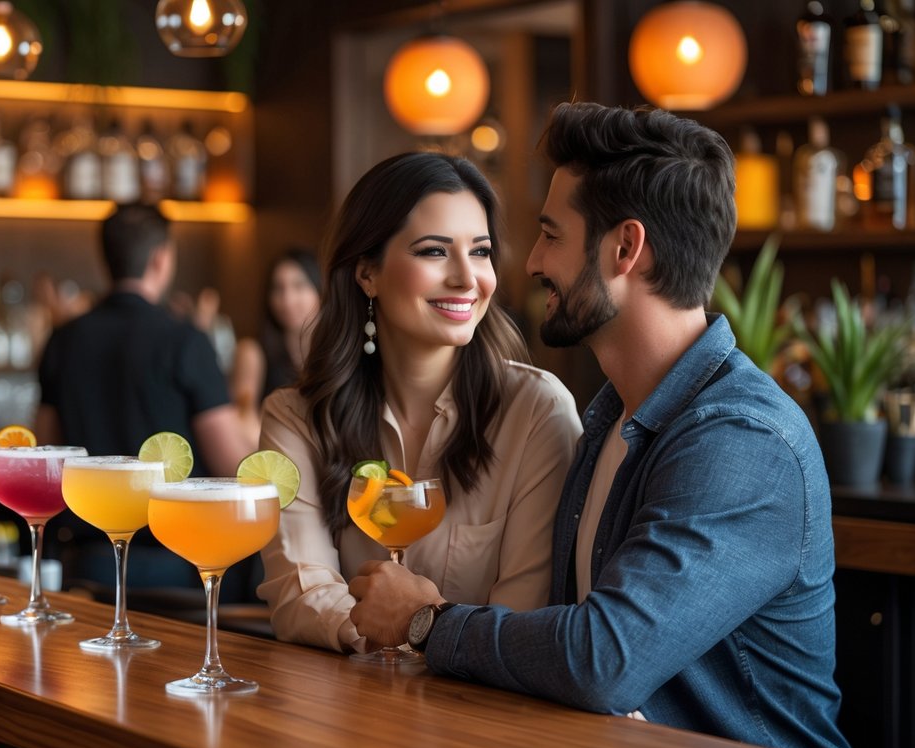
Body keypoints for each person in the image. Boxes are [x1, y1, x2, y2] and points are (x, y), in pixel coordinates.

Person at [349, 103, 854, 748]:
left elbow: (602, 659)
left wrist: (424, 622)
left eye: (551, 235)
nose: (529, 263)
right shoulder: (610, 415)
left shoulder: (742, 441)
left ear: (624, 249)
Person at [257, 152, 582, 653]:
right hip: (348, 714)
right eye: (434, 252)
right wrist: (395, 630)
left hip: (483, 719)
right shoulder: (295, 418)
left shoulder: (538, 413)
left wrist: (416, 626)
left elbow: (521, 623)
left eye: (480, 251)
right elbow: (300, 594)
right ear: (367, 272)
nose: (467, 278)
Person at [35, 203, 253, 590]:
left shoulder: (63, 340)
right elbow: (233, 465)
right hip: (176, 570)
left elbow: (47, 453)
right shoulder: (185, 341)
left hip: (87, 567)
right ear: (160, 258)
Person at [231, 249, 324, 447]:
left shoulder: (336, 352)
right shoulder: (252, 351)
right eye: (278, 288)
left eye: (299, 286)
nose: (287, 300)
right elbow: (243, 418)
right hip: (272, 457)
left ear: (321, 291)